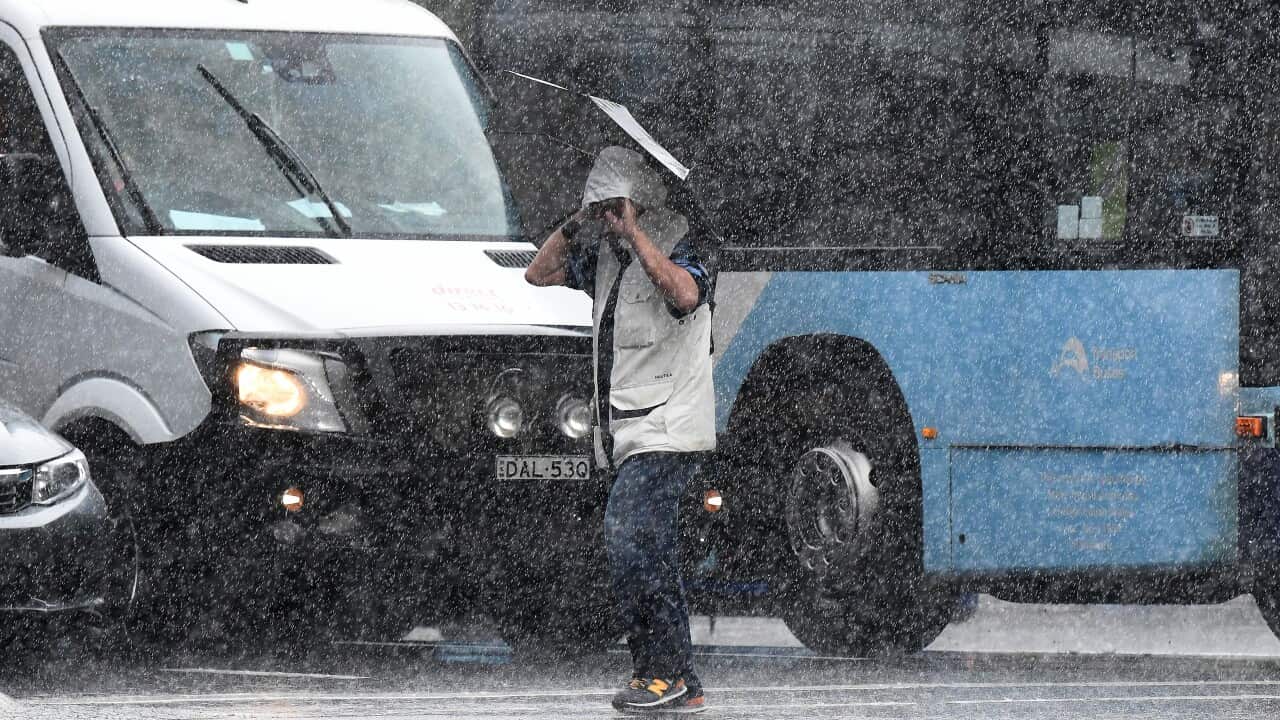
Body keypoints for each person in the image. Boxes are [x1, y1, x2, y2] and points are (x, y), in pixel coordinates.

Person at [525, 146, 716, 714]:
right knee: (649, 551)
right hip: (624, 431)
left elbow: (685, 293)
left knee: (630, 538)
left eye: (615, 205)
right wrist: (577, 221)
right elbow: (538, 272)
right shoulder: (606, 259)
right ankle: (678, 678)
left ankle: (661, 672)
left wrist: (635, 232)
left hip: (669, 425)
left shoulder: (685, 240)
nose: (609, 218)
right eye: (603, 208)